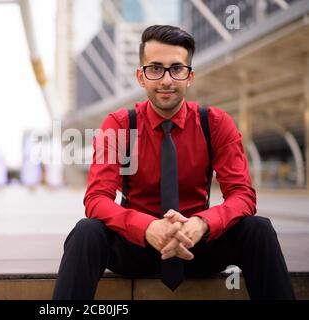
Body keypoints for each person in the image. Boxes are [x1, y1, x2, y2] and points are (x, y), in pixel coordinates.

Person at [53, 25, 295, 300]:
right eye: (155, 69)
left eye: (176, 69)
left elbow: (242, 195)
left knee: (258, 228)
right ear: (140, 77)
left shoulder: (215, 124)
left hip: (197, 247)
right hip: (136, 247)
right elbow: (97, 198)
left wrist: (202, 224)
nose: (166, 80)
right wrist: (146, 227)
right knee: (86, 231)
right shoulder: (119, 126)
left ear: (189, 76)